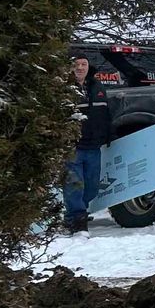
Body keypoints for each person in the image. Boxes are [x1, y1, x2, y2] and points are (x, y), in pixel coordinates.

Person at [63, 53, 111, 234]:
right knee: (74, 185)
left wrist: (108, 134)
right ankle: (77, 221)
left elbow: (105, 113)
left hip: (94, 146)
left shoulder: (97, 86)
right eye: (77, 64)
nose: (80, 68)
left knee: (91, 188)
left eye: (84, 64)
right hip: (73, 146)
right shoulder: (65, 88)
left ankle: (73, 215)